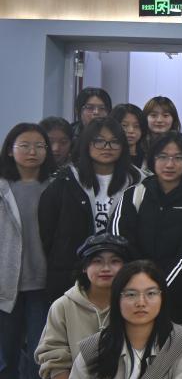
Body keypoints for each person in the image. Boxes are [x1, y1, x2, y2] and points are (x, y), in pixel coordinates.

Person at [34, 234, 130, 379]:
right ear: (85, 267)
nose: (106, 268)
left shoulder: (133, 303)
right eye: (97, 261)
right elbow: (55, 362)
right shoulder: (62, 306)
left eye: (115, 261)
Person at [111, 132, 182, 327]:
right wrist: (138, 286)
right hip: (132, 293)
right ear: (152, 159)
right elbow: (118, 242)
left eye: (178, 158)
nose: (169, 164)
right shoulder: (134, 194)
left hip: (177, 299)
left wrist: (158, 291)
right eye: (162, 157)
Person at [40, 117, 141, 301]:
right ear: (87, 144)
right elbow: (47, 231)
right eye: (99, 141)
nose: (107, 147)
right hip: (72, 275)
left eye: (114, 142)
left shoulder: (138, 182)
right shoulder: (65, 181)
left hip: (125, 275)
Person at [0, 123, 57, 379]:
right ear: (11, 149)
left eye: (39, 146)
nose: (32, 152)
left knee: (40, 353)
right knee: (5, 354)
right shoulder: (2, 186)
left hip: (42, 284)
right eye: (24, 145)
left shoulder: (55, 185)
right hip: (5, 284)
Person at [109, 104, 147, 170]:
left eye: (136, 126)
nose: (131, 130)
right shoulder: (107, 157)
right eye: (124, 125)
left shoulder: (147, 158)